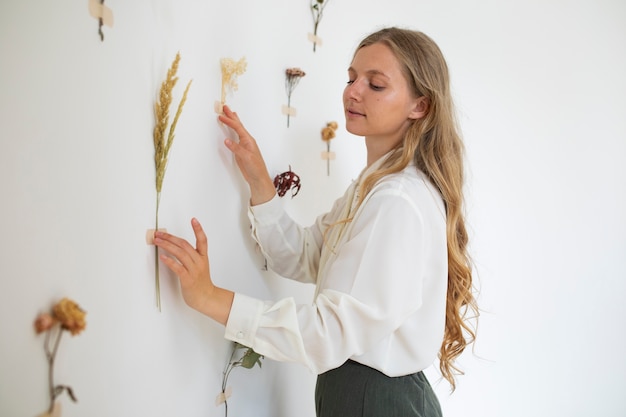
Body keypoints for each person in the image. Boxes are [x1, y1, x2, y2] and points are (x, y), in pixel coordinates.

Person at [154, 26, 478, 417]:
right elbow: (308, 256)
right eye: (351, 77)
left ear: (420, 107)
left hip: (374, 401)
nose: (353, 91)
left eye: (375, 85)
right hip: (362, 395)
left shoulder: (396, 200)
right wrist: (259, 181)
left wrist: (210, 297)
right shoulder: (375, 186)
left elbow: (329, 334)